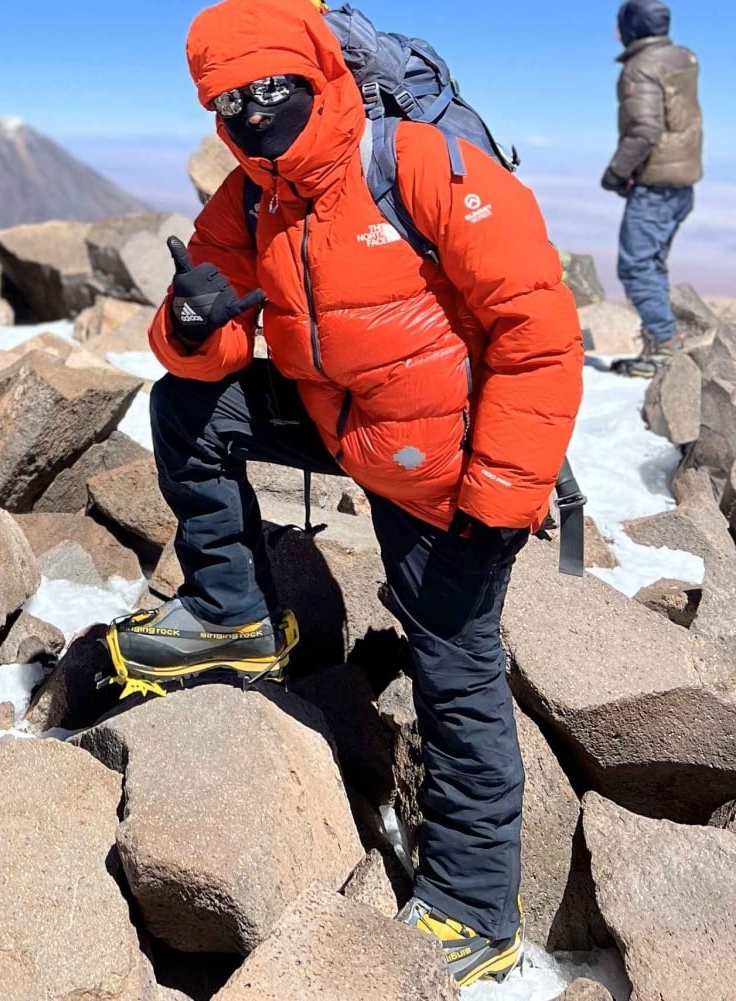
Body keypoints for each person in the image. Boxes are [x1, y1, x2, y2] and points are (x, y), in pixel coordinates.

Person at [108, 0, 583, 986]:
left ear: (318, 75)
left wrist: (501, 493)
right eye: (227, 101)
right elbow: (204, 342)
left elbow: (538, 334)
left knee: (454, 666)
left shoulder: (418, 167)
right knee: (187, 408)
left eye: (268, 89)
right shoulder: (252, 197)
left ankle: (475, 910)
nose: (250, 114)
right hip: (347, 423)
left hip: (446, 458)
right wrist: (191, 326)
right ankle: (234, 614)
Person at [602, 0, 702, 377]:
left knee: (636, 266)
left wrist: (617, 172)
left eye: (620, 24)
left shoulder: (642, 66)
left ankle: (664, 345)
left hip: (655, 183)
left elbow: (645, 130)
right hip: (682, 181)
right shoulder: (682, 58)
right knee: (653, 262)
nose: (615, 32)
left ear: (632, 27)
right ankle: (661, 341)